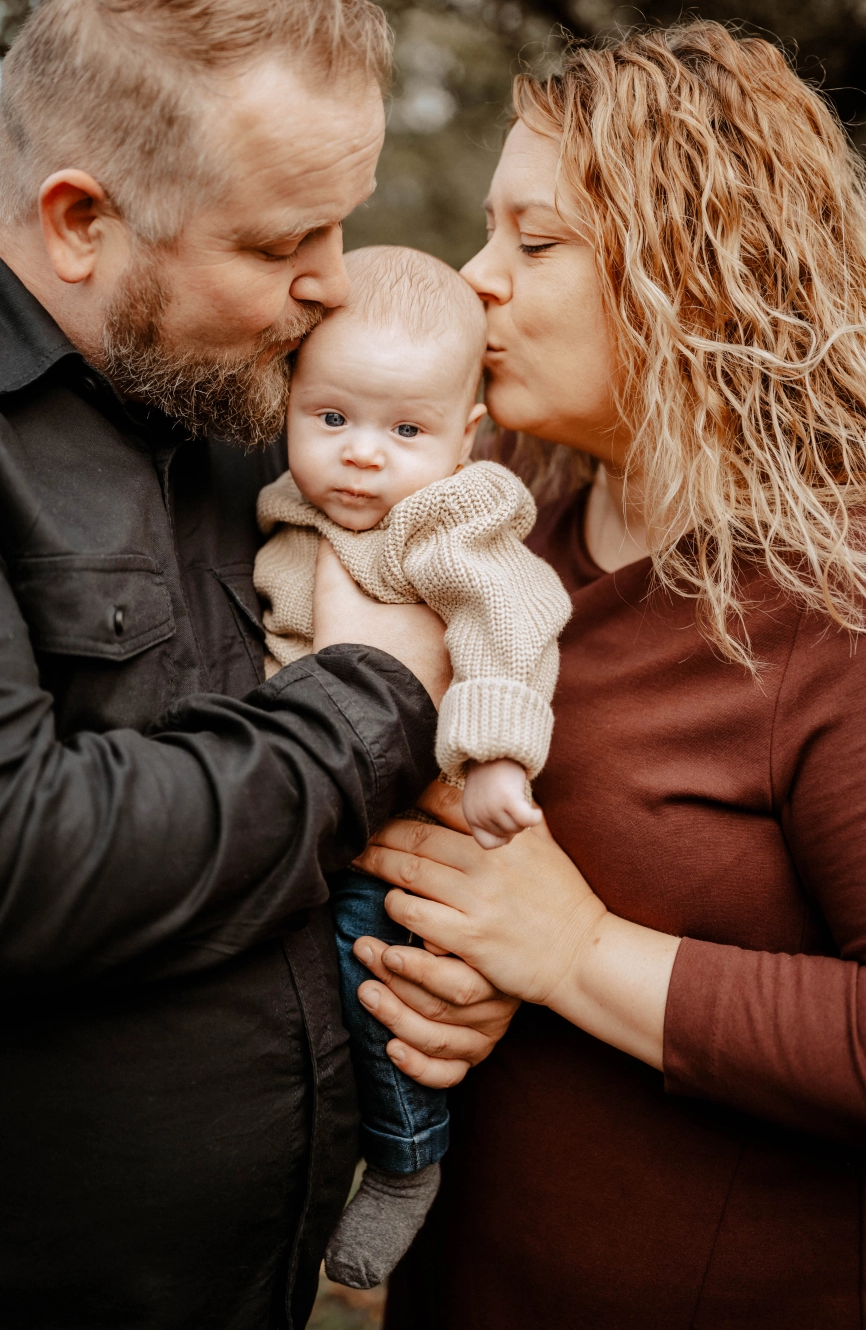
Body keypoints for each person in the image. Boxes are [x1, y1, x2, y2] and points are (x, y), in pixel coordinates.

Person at [0, 0, 516, 1330]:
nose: (334, 283)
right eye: (286, 239)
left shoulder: (228, 381)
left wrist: (446, 973)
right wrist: (376, 690)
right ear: (83, 220)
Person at [320, 20, 866, 1329]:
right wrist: (451, 986)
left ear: (696, 264)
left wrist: (575, 954)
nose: (473, 278)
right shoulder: (511, 545)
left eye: (534, 239)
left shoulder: (831, 603)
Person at [251, 245, 571, 1289]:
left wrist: (491, 754)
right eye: (333, 419)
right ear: (289, 396)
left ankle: (403, 1160)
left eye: (405, 431)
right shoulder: (281, 507)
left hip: (400, 837)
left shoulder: (444, 522)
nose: (361, 458)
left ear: (465, 438)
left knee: (375, 977)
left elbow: (509, 622)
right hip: (295, 808)